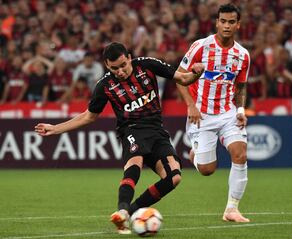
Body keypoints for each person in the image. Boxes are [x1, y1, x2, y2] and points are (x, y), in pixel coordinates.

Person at [34, 42, 204, 234]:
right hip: (131, 130)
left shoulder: (147, 65)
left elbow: (183, 78)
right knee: (135, 163)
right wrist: (55, 129)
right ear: (107, 66)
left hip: (157, 131)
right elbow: (89, 116)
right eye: (114, 68)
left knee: (174, 178)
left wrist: (197, 72)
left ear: (129, 57)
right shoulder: (105, 85)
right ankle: (122, 210)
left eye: (123, 65)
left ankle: (128, 213)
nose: (120, 71)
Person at [176, 3, 250, 223]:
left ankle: (232, 209)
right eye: (223, 21)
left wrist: (241, 109)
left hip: (228, 113)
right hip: (202, 114)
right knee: (207, 170)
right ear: (217, 22)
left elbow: (241, 85)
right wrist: (191, 105)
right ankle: (196, 156)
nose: (227, 26)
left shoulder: (243, 55)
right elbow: (179, 76)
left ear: (238, 24)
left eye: (231, 22)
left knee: (240, 154)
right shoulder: (200, 46)